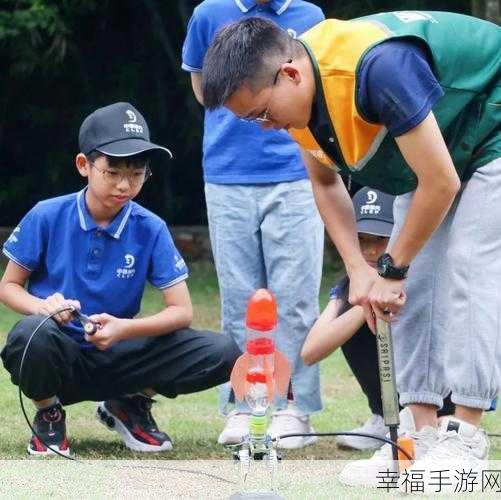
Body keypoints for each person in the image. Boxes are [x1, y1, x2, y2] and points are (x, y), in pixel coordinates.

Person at [200, 11, 500, 490]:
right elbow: (324, 181)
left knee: (466, 264)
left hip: (492, 123)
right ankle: (418, 441)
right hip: (438, 147)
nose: (263, 127)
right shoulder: (297, 100)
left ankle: (465, 436)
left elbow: (440, 182)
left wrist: (392, 268)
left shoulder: (379, 69)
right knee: (416, 283)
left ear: (291, 75)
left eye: (260, 114)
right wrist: (360, 270)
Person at [0, 102, 240, 456]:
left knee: (225, 353)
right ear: (84, 165)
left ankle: (128, 404)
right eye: (112, 172)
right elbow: (8, 286)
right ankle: (49, 413)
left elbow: (181, 312)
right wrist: (43, 307)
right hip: (58, 355)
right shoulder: (47, 214)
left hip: (119, 352)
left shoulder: (151, 228)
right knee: (28, 335)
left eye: (137, 172)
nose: (125, 184)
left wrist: (123, 329)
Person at [181, 0, 325, 449]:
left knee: (296, 296)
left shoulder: (310, 16)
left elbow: (317, 94)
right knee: (239, 297)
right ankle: (246, 405)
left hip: (299, 173)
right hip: (226, 174)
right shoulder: (209, 13)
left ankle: (296, 409)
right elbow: (205, 91)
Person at [301, 187, 456, 451]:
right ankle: (384, 418)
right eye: (361, 240)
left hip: (441, 400)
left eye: (380, 239)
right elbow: (309, 352)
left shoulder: (430, 276)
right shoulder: (352, 285)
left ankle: (439, 421)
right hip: (387, 399)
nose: (371, 251)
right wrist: (366, 306)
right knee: (349, 316)